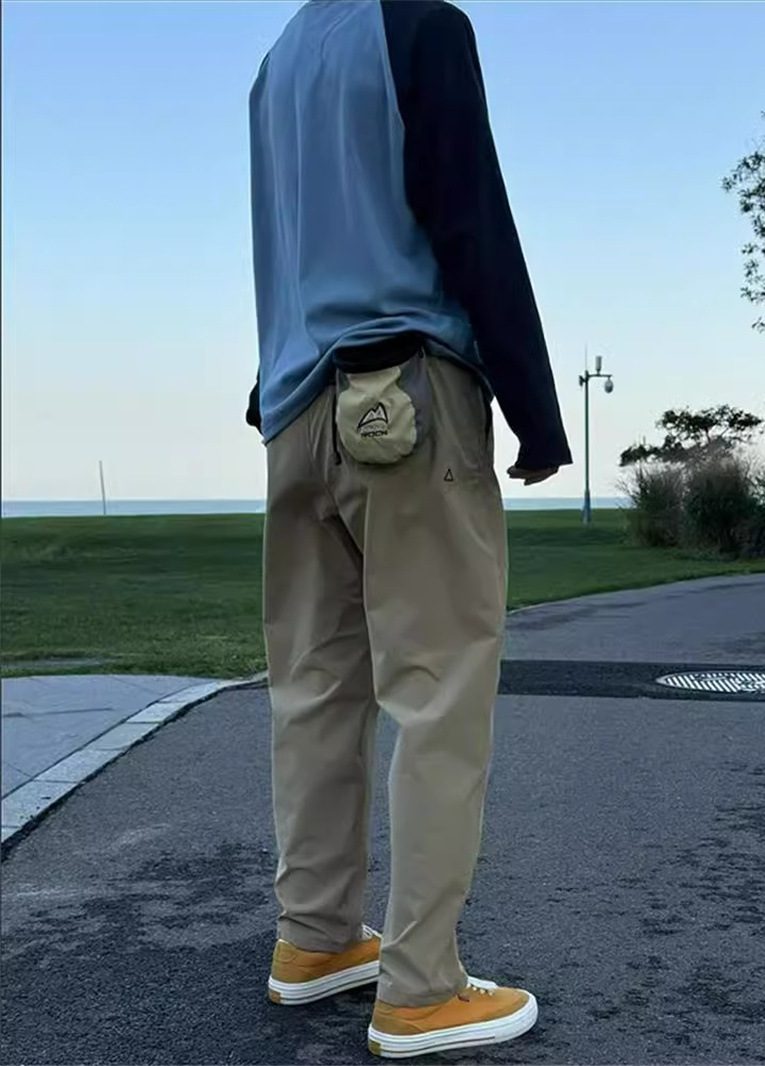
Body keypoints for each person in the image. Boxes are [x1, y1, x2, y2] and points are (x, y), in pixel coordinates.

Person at [247, 0, 571, 1057]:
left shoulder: (275, 67)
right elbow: (468, 212)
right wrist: (533, 407)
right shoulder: (419, 25)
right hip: (404, 393)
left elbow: (282, 250)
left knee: (313, 689)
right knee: (437, 691)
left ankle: (314, 940)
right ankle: (422, 987)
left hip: (293, 409)